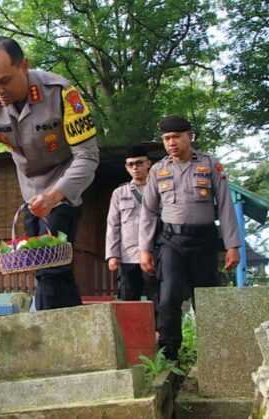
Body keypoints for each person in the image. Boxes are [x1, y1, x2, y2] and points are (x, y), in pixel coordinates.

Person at [0, 36, 100, 310]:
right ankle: (74, 328)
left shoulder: (61, 93)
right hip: (29, 192)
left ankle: (48, 332)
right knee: (44, 268)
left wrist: (54, 196)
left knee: (51, 265)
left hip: (64, 185)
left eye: (4, 80)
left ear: (24, 65)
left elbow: (88, 156)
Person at [138, 116, 241, 360]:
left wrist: (233, 245)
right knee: (168, 295)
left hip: (204, 241)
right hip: (171, 241)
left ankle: (214, 354)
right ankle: (169, 353)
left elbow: (225, 206)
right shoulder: (158, 170)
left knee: (206, 297)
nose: (171, 143)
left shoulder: (210, 165)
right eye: (166, 139)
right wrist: (145, 249)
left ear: (189, 136)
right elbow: (148, 211)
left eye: (176, 137)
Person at [106, 144, 158, 306]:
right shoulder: (119, 193)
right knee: (129, 303)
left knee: (158, 301)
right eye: (131, 164)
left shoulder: (159, 189)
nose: (135, 168)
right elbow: (113, 225)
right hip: (128, 255)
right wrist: (112, 255)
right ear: (126, 167)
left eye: (139, 163)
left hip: (154, 253)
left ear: (148, 163)